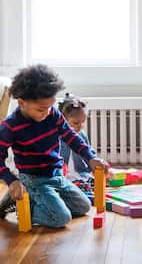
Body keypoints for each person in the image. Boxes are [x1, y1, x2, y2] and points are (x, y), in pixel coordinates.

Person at [0, 64, 109, 228]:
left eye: (50, 107)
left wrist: (90, 157)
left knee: (84, 206)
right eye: (41, 109)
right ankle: (22, 207)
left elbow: (71, 136)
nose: (47, 113)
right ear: (22, 103)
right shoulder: (10, 126)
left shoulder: (52, 114)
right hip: (34, 180)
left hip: (57, 175)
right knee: (61, 218)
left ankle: (38, 201)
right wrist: (12, 181)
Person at [58, 93, 94, 181]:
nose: (80, 126)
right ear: (63, 120)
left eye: (83, 122)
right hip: (62, 177)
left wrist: (96, 165)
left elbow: (89, 154)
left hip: (82, 175)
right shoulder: (56, 136)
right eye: (75, 123)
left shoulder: (82, 134)